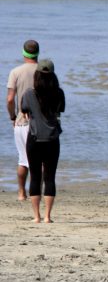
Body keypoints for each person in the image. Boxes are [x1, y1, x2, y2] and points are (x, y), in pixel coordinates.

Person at [19, 59, 65, 223]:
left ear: (37, 75)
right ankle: (47, 217)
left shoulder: (29, 94)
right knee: (50, 177)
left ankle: (37, 216)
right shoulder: (59, 93)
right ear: (53, 76)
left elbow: (24, 111)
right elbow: (60, 110)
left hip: (34, 139)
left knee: (35, 176)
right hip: (52, 139)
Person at [7, 39, 39, 201]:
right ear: (38, 53)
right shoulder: (44, 72)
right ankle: (36, 193)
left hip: (21, 121)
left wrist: (13, 117)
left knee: (23, 159)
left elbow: (10, 99)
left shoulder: (16, 72)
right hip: (40, 123)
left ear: (23, 53)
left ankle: (21, 193)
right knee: (38, 161)